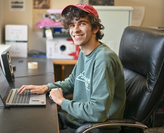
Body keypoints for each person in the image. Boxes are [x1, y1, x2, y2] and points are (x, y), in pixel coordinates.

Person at [18, 3, 126, 133]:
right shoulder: (85, 52)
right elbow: (72, 82)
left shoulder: (103, 59)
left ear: (95, 28)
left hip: (92, 128)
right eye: (72, 25)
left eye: (82, 23)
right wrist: (46, 87)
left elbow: (97, 112)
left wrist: (62, 101)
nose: (75, 30)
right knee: (31, 122)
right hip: (78, 121)